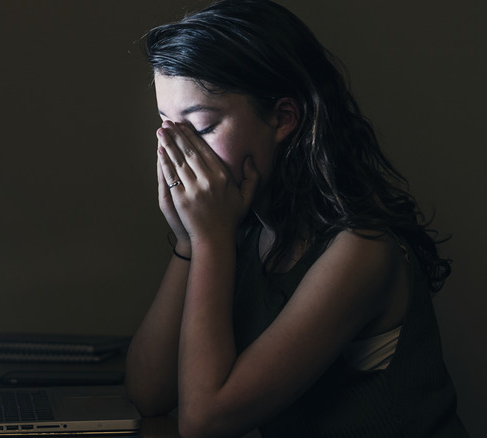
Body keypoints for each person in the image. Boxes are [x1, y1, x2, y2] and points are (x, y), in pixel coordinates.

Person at [124, 1, 468, 437]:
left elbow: (204, 421)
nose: (181, 155)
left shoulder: (361, 250)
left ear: (284, 118)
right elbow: (148, 394)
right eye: (168, 128)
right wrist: (190, 244)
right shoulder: (240, 229)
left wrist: (210, 240)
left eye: (203, 127)